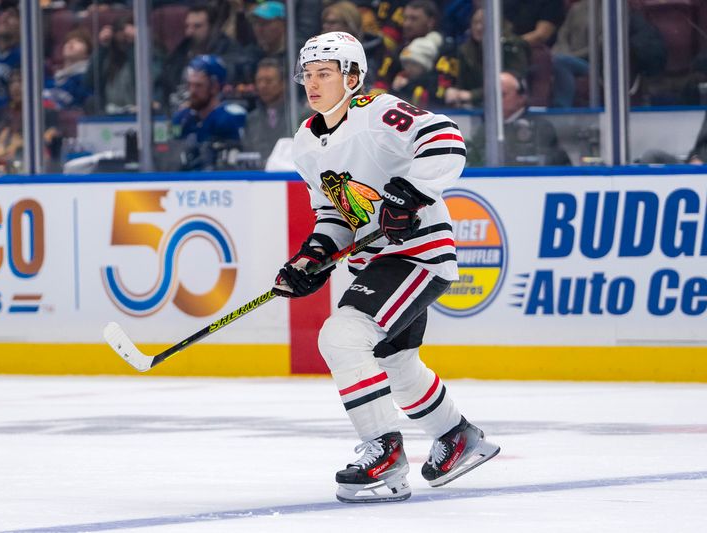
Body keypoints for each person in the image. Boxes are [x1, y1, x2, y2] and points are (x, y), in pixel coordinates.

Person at [272, 31, 500, 503]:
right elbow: (336, 214)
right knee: (393, 360)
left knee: (343, 336)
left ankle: (384, 452)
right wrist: (311, 258)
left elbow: (446, 139)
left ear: (352, 77)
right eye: (307, 75)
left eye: (325, 74)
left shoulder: (377, 112)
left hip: (417, 254)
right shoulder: (304, 143)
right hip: (376, 260)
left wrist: (411, 192)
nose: (313, 84)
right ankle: (458, 436)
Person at [466, 71, 571, 166]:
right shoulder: (485, 129)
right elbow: (475, 162)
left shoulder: (540, 128)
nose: (495, 101)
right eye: (491, 96)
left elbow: (553, 163)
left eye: (502, 95)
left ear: (521, 97)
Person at [443, 6, 530, 108]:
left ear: (497, 24)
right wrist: (456, 93)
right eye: (475, 23)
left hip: (506, 106)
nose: (479, 27)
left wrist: (473, 95)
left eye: (484, 23)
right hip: (475, 108)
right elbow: (461, 84)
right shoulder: (465, 50)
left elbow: (511, 85)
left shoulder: (511, 46)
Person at [170, 55, 246, 171]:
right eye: (189, 85)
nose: (192, 91)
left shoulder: (229, 117)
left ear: (214, 87)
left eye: (198, 86)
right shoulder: (183, 118)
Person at [243, 58, 289, 166]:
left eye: (268, 81)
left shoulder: (300, 115)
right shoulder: (251, 119)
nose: (262, 86)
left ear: (283, 84)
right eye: (259, 81)